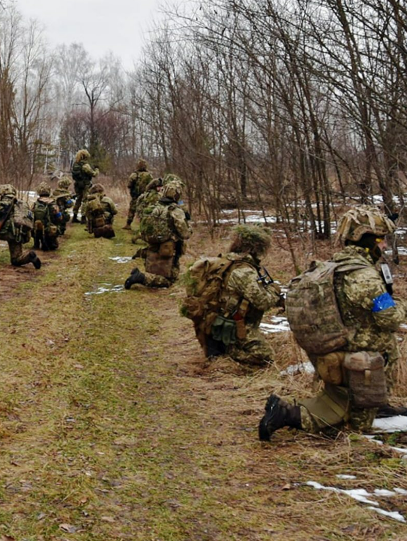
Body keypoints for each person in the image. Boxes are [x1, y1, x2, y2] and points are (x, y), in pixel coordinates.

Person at [260, 206, 404, 440]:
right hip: (359, 360)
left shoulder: (335, 267)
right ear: (366, 241)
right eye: (381, 240)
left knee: (348, 404)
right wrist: (400, 305)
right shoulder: (363, 275)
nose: (385, 246)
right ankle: (286, 414)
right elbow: (390, 318)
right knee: (353, 426)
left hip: (339, 353)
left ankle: (374, 406)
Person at [188, 225, 280, 366]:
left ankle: (218, 346)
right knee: (264, 356)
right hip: (230, 325)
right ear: (256, 248)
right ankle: (228, 350)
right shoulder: (243, 271)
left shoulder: (225, 261)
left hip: (213, 322)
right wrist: (275, 290)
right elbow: (263, 301)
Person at [125, 179, 191, 289]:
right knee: (169, 282)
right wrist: (189, 225)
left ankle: (142, 272)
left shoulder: (154, 207)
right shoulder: (175, 211)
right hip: (167, 251)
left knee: (159, 274)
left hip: (153, 250)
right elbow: (185, 234)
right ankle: (141, 277)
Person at [32, 182, 61, 251]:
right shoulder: (53, 204)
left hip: (37, 229)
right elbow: (59, 218)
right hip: (50, 230)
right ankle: (50, 242)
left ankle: (36, 243)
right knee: (54, 246)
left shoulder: (35, 204)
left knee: (36, 225)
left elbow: (31, 216)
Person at [70, 149, 97, 223]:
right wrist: (97, 169)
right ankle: (83, 217)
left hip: (77, 184)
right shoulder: (85, 165)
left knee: (78, 199)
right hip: (85, 185)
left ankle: (74, 216)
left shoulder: (75, 164)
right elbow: (93, 174)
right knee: (85, 200)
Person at [125, 159, 154, 229]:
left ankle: (128, 224)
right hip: (145, 196)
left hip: (135, 196)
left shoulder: (134, 175)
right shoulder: (149, 176)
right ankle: (143, 226)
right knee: (144, 210)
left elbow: (129, 185)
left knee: (132, 209)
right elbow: (152, 185)